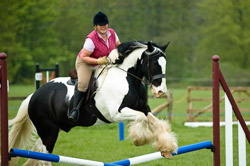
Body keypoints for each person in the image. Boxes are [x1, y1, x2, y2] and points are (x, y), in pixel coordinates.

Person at [68, 12, 121, 122]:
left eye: (105, 24)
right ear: (95, 26)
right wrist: (98, 61)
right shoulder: (91, 39)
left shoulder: (112, 33)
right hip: (85, 63)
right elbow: (84, 57)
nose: (103, 26)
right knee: (83, 83)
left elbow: (119, 47)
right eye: (100, 25)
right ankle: (75, 110)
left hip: (104, 62)